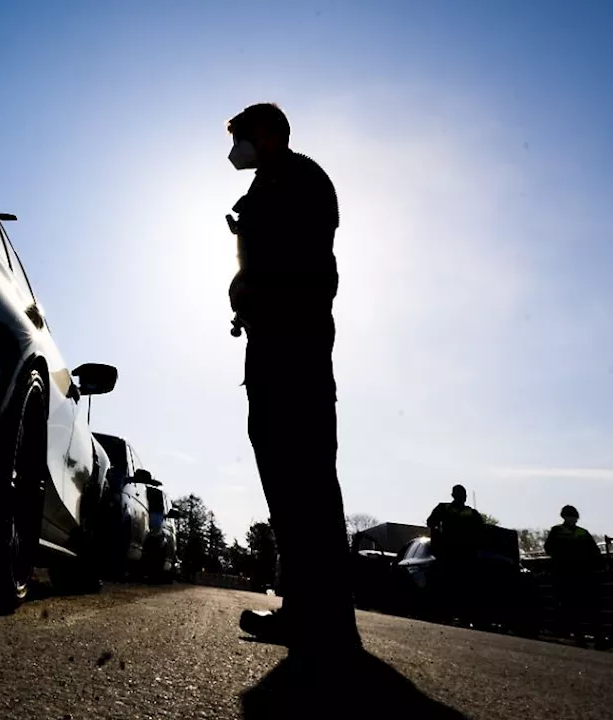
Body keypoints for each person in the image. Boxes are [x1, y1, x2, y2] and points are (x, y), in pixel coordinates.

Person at [225, 103, 358, 653]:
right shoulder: (271, 185)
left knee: (301, 469)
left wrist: (251, 287)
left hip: (293, 342)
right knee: (287, 470)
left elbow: (299, 263)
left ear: (266, 134)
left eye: (240, 137)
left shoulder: (299, 179)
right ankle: (312, 609)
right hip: (275, 340)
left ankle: (318, 614)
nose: (234, 150)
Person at [544, 505, 606, 646]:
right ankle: (580, 637)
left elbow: (595, 551)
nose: (572, 518)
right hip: (567, 574)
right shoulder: (559, 531)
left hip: (581, 574)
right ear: (564, 517)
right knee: (574, 607)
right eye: (570, 515)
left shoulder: (579, 532)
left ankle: (594, 637)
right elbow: (549, 548)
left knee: (587, 606)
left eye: (574, 516)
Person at [425, 485, 484, 621]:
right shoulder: (444, 508)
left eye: (463, 494)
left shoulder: (470, 512)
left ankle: (464, 614)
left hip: (465, 555)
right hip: (448, 554)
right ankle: (447, 613)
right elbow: (430, 522)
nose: (462, 497)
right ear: (453, 495)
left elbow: (482, 529)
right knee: (448, 583)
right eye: (460, 494)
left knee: (464, 585)